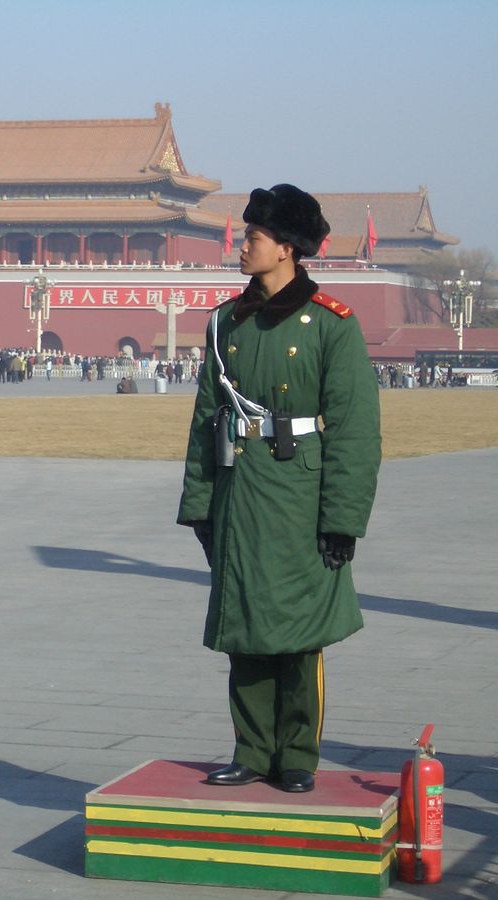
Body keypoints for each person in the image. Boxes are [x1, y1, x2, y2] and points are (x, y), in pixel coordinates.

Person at [178, 184, 381, 794]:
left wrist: (341, 519)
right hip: (240, 492)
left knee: (298, 633)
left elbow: (354, 431)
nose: (244, 247)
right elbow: (206, 418)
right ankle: (251, 748)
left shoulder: (331, 326)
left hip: (300, 493)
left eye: (254, 238)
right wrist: (199, 506)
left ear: (287, 249)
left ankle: (297, 751)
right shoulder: (225, 325)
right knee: (244, 626)